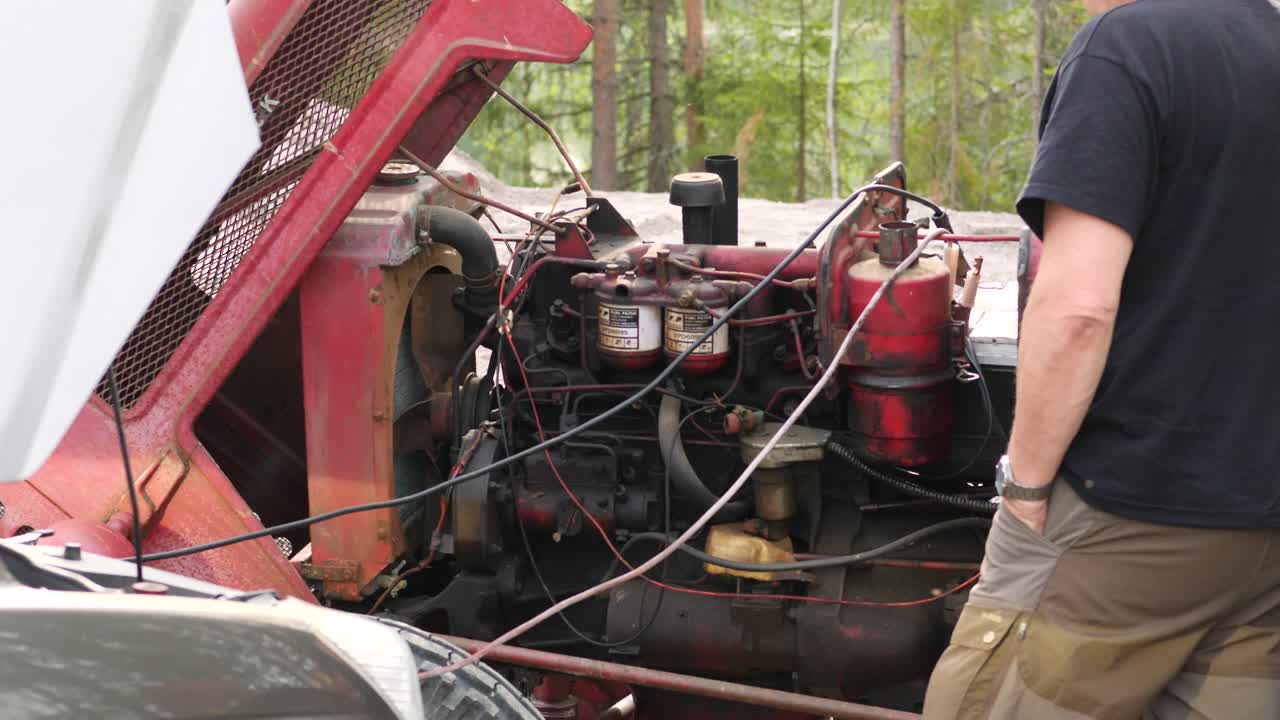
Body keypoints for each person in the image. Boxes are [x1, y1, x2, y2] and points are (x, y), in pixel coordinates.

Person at [923, 0, 1280, 717]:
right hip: (1261, 539)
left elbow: (1079, 309)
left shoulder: (1128, 46)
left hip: (1127, 517)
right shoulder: (1268, 42)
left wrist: (1023, 485)